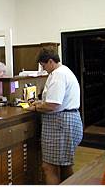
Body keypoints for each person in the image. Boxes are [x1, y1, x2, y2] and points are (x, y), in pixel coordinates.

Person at [26, 48, 83, 184]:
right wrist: (42, 102)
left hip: (60, 124)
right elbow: (55, 100)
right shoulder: (63, 71)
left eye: (43, 65)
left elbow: (53, 105)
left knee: (48, 167)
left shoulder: (58, 75)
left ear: (50, 61)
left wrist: (34, 107)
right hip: (66, 120)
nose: (43, 68)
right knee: (65, 165)